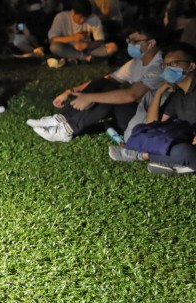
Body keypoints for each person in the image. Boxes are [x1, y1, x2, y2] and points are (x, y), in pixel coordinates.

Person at [28, 20, 163, 143]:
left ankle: (67, 130)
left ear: (151, 43)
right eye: (129, 40)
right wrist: (70, 91)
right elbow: (107, 79)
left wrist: (90, 97)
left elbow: (131, 95)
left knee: (110, 94)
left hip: (145, 121)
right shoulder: (137, 62)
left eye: (135, 41)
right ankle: (62, 119)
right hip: (132, 112)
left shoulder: (159, 66)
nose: (130, 44)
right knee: (104, 83)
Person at [108, 43, 196, 175]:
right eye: (165, 65)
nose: (168, 68)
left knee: (183, 151)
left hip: (190, 147)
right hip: (184, 140)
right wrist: (159, 93)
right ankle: (176, 163)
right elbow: (152, 124)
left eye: (175, 63)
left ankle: (142, 155)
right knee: (141, 130)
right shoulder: (179, 95)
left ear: (191, 66)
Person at [47, 0, 117, 63]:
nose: (82, 20)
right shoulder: (61, 17)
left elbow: (100, 41)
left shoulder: (94, 19)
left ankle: (74, 57)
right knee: (54, 47)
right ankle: (83, 57)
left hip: (87, 49)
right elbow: (52, 39)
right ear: (73, 12)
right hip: (68, 47)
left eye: (85, 17)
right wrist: (73, 38)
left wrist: (86, 45)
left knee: (113, 47)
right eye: (80, 17)